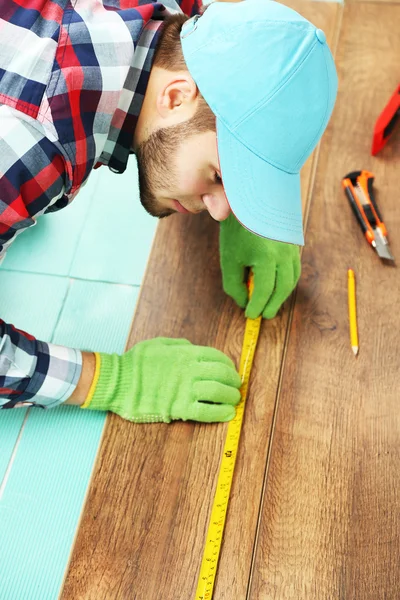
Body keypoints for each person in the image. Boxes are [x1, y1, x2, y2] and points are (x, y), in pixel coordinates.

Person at [0, 0, 337, 422]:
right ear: (175, 97)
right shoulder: (31, 144)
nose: (219, 213)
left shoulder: (176, 25)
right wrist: (109, 379)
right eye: (218, 176)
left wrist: (254, 202)